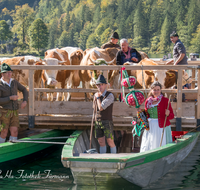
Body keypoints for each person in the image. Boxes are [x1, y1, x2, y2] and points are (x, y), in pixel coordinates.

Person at [140, 81, 174, 152]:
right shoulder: (148, 101)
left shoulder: (165, 100)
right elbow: (146, 115)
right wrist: (140, 112)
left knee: (160, 145)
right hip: (150, 127)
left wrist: (168, 114)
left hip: (161, 127)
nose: (156, 91)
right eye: (154, 90)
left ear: (160, 90)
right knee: (149, 145)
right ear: (151, 90)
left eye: (158, 89)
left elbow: (172, 116)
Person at [0, 63, 28, 143]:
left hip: (15, 111)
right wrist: (10, 98)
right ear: (2, 73)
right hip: (4, 112)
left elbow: (24, 89)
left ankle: (12, 147)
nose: (10, 74)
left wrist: (25, 100)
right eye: (7, 72)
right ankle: (1, 148)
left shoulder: (14, 82)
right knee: (4, 132)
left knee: (15, 131)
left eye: (10, 72)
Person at [93, 74, 116, 153]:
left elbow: (101, 107)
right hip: (98, 120)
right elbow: (94, 108)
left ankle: (114, 158)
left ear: (105, 85)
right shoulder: (96, 95)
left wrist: (98, 98)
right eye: (98, 85)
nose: (100, 86)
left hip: (107, 121)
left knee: (110, 141)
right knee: (101, 141)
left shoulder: (110, 95)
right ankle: (102, 157)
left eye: (102, 84)